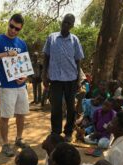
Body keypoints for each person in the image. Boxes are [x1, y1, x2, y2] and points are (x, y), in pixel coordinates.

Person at [0, 14, 30, 157]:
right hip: (6, 86)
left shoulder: (22, 44)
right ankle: (5, 144)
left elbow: (26, 65)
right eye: (11, 26)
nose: (13, 30)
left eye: (17, 29)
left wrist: (25, 77)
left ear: (20, 29)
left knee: (21, 114)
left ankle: (19, 138)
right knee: (5, 116)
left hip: (20, 86)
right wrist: (5, 54)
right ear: (8, 23)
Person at [42, 13, 84, 142]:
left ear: (72, 25)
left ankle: (68, 132)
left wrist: (78, 79)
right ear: (62, 22)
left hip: (71, 79)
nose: (65, 25)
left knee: (71, 108)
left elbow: (78, 61)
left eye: (68, 23)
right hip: (55, 79)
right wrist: (44, 74)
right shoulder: (52, 38)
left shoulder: (75, 40)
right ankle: (55, 132)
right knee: (56, 107)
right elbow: (46, 57)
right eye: (64, 22)